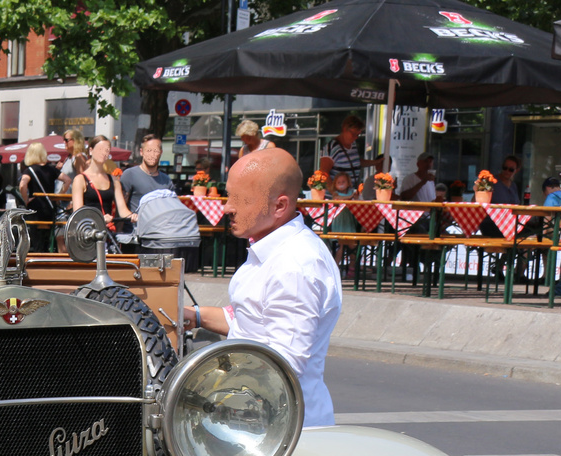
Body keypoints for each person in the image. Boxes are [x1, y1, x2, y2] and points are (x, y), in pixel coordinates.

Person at [180, 148, 340, 429]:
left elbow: (283, 363)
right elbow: (248, 320)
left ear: (279, 206)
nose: (227, 207)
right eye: (228, 195)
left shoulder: (294, 265)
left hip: (277, 432)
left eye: (239, 199)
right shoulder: (273, 250)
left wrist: (200, 376)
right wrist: (194, 315)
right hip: (257, 423)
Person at [121, 131, 201, 270]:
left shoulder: (166, 180)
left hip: (162, 235)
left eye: (156, 151)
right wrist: (129, 217)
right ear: (141, 152)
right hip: (137, 234)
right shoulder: (130, 175)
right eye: (149, 150)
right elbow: (121, 204)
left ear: (161, 152)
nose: (152, 154)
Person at [69, 135, 131, 244]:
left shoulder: (113, 179)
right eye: (100, 149)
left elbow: (123, 210)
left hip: (107, 234)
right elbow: (78, 213)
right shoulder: (80, 179)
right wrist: (100, 218)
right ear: (91, 150)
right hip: (87, 234)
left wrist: (134, 216)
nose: (104, 153)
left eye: (107, 150)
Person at [17, 142, 60, 253]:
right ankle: (46, 257)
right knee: (47, 238)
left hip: (36, 207)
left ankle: (38, 258)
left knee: (36, 239)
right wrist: (59, 195)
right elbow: (67, 180)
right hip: (50, 207)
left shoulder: (29, 170)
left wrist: (26, 199)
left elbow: (22, 184)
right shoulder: (51, 169)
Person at [319, 115, 381, 182]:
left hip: (349, 191)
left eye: (358, 135)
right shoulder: (331, 148)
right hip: (336, 192)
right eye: (354, 134)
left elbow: (356, 162)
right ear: (345, 129)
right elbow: (323, 173)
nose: (356, 137)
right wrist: (333, 191)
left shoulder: (353, 145)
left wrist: (375, 162)